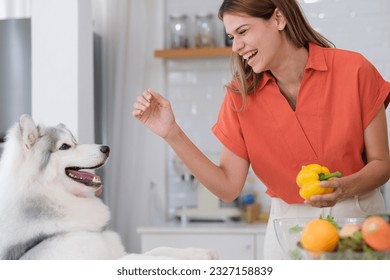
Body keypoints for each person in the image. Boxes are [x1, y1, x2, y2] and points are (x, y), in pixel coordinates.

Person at [133, 0, 390, 259]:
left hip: (357, 223)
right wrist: (172, 133)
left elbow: (382, 164)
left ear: (278, 19)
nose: (236, 46)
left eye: (243, 32)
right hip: (287, 229)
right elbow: (228, 188)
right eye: (231, 37)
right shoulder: (240, 95)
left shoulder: (354, 70)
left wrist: (343, 188)